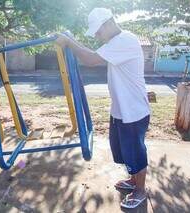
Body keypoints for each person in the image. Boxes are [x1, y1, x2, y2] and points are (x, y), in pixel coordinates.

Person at [55, 8, 150, 209]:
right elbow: (91, 55)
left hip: (133, 111)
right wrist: (71, 42)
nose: (97, 36)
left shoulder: (125, 40)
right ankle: (133, 182)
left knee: (135, 152)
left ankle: (140, 190)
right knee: (124, 151)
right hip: (121, 110)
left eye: (98, 32)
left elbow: (90, 59)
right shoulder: (115, 42)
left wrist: (69, 42)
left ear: (109, 23)